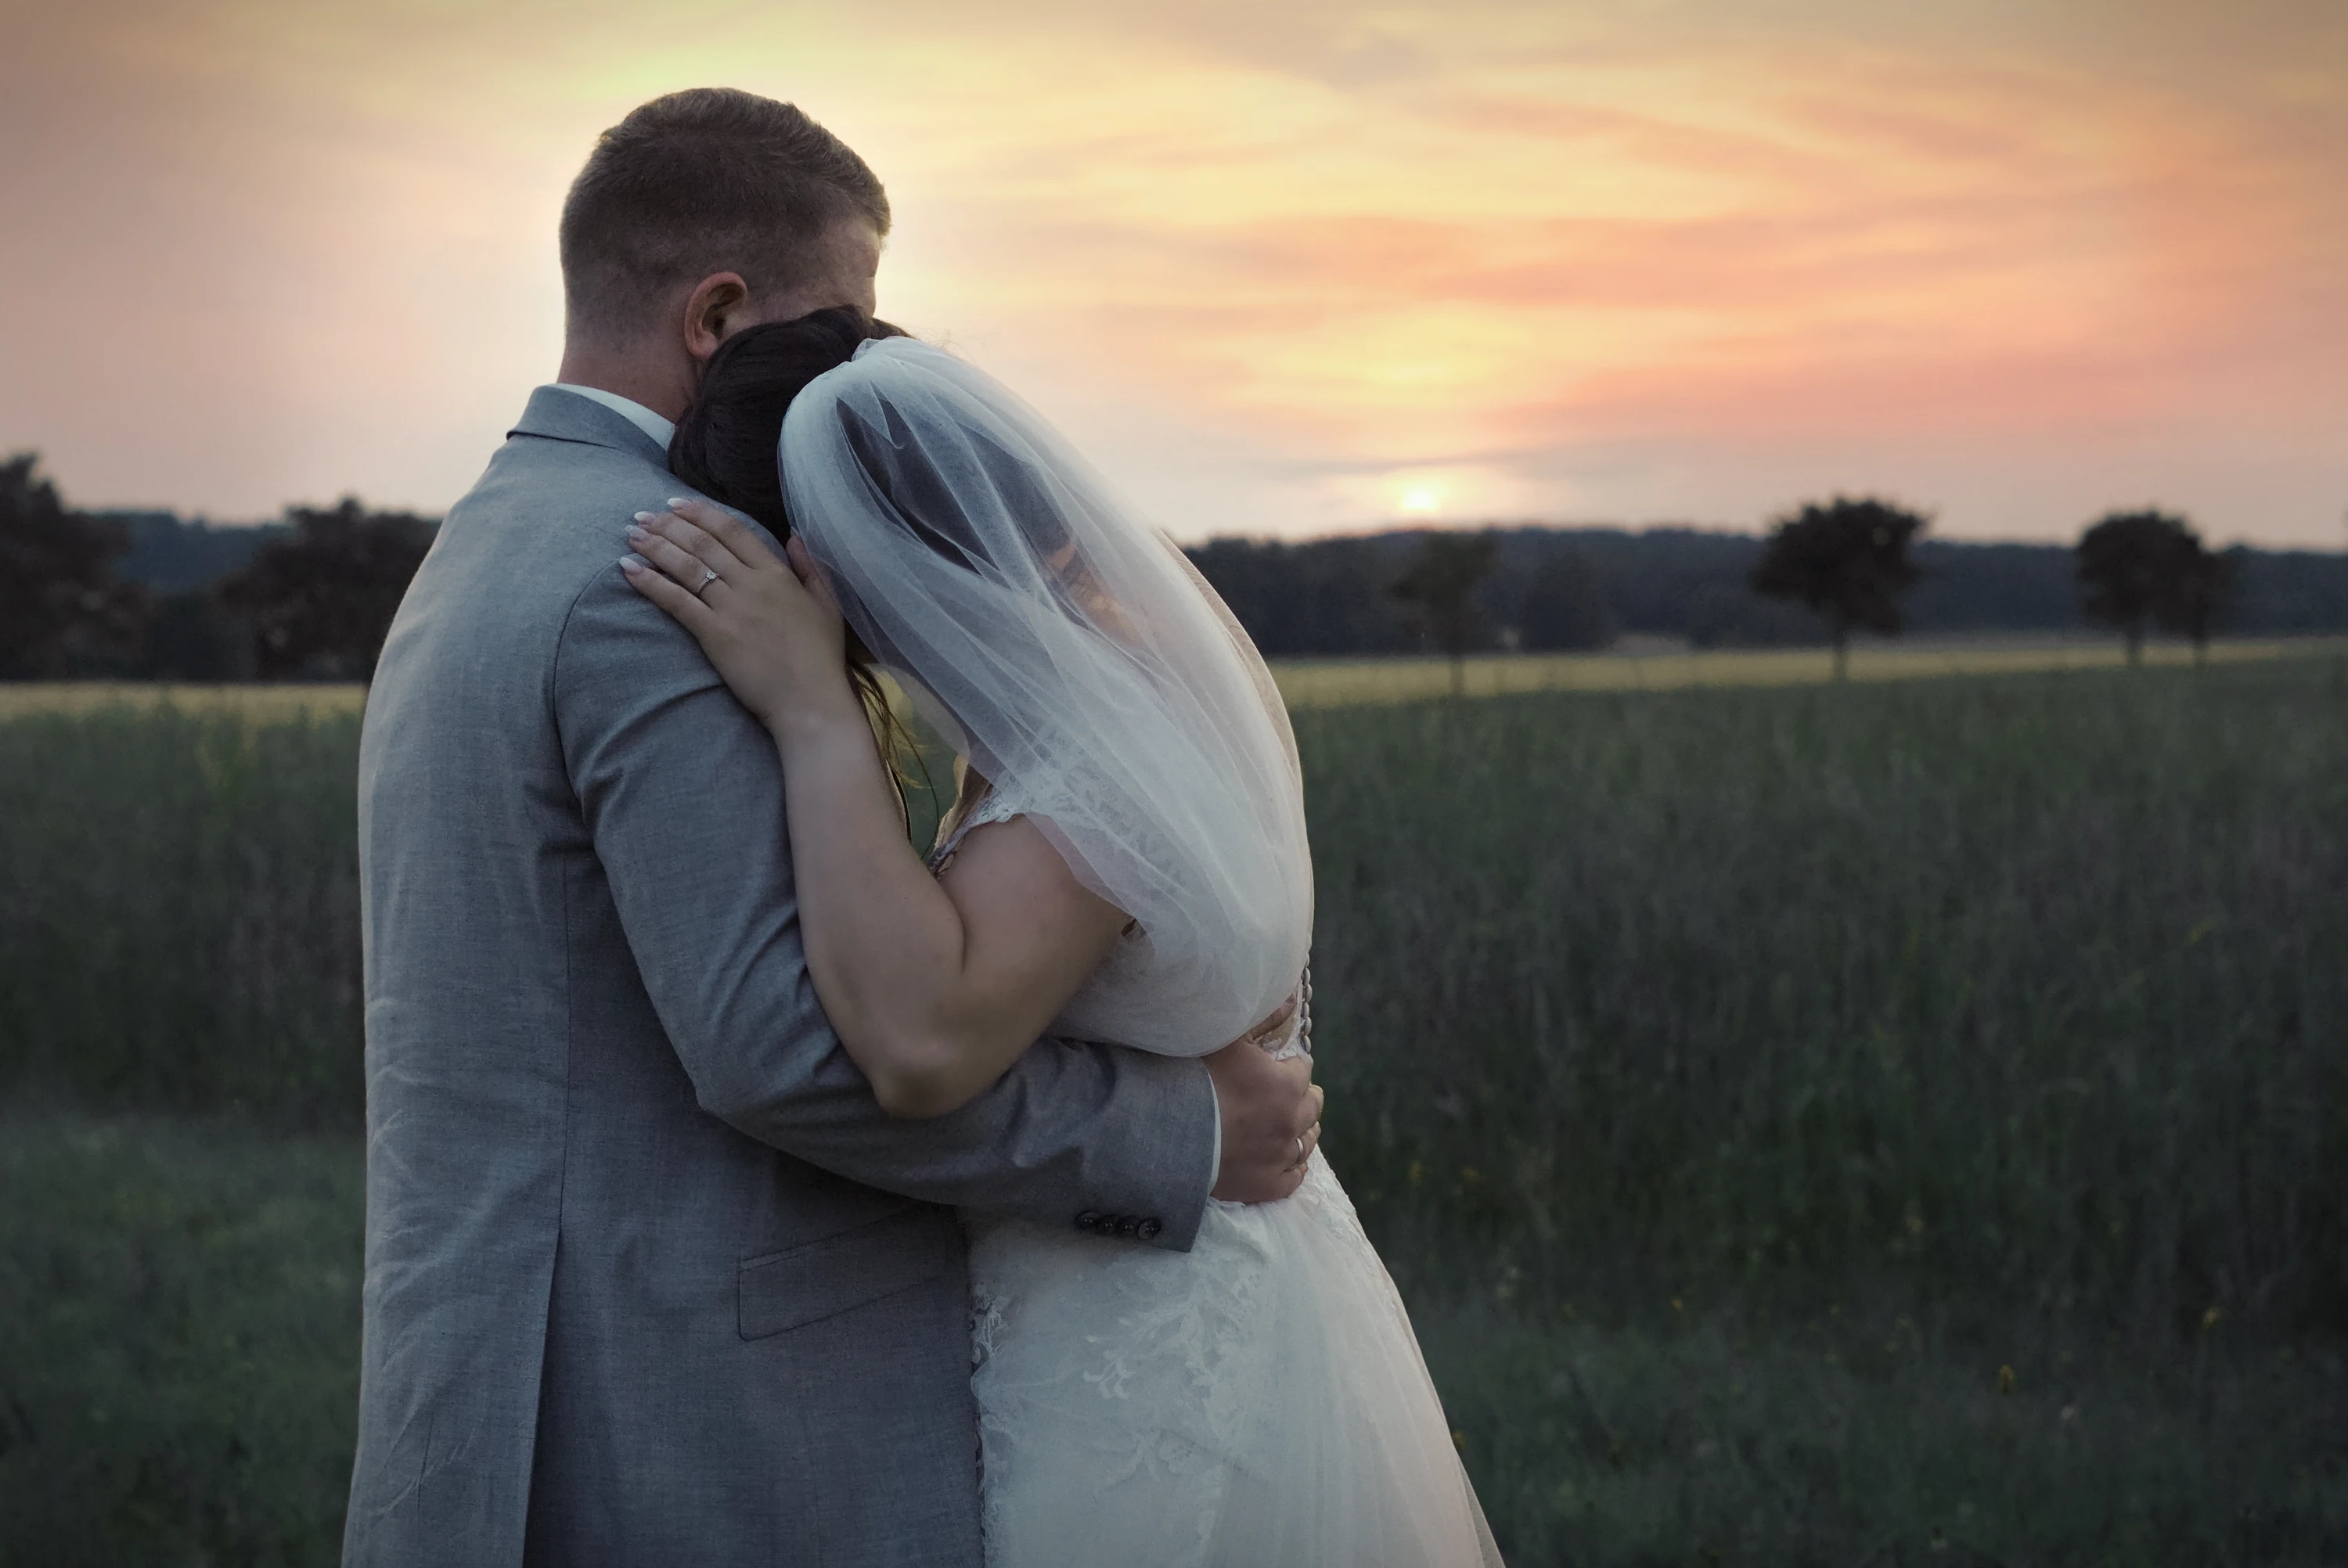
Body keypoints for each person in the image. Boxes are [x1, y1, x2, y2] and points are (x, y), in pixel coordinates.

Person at [345, 88, 1318, 1568]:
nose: (872, 369)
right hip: (697, 1416)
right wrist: (1176, 1133)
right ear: (718, 318)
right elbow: (795, 1054)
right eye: (847, 315)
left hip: (497, 1358)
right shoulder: (667, 577)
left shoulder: (489, 537)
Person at [618, 308, 1505, 1564]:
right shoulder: (1121, 690)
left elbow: (923, 1046)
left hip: (1141, 1355)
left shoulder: (1097, 767)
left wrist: (814, 706)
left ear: (827, 561)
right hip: (1188, 1281)